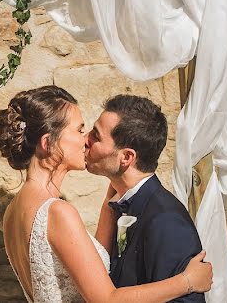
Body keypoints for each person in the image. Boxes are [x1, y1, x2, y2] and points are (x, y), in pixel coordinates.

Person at [0, 85, 212, 303]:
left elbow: (87, 267)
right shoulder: (57, 212)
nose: (86, 138)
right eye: (79, 130)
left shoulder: (14, 209)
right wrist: (187, 282)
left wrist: (112, 199)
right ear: (47, 142)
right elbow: (105, 299)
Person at [84, 94, 206, 302]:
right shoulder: (120, 205)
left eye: (96, 136)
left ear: (126, 157)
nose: (85, 139)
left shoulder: (166, 220)